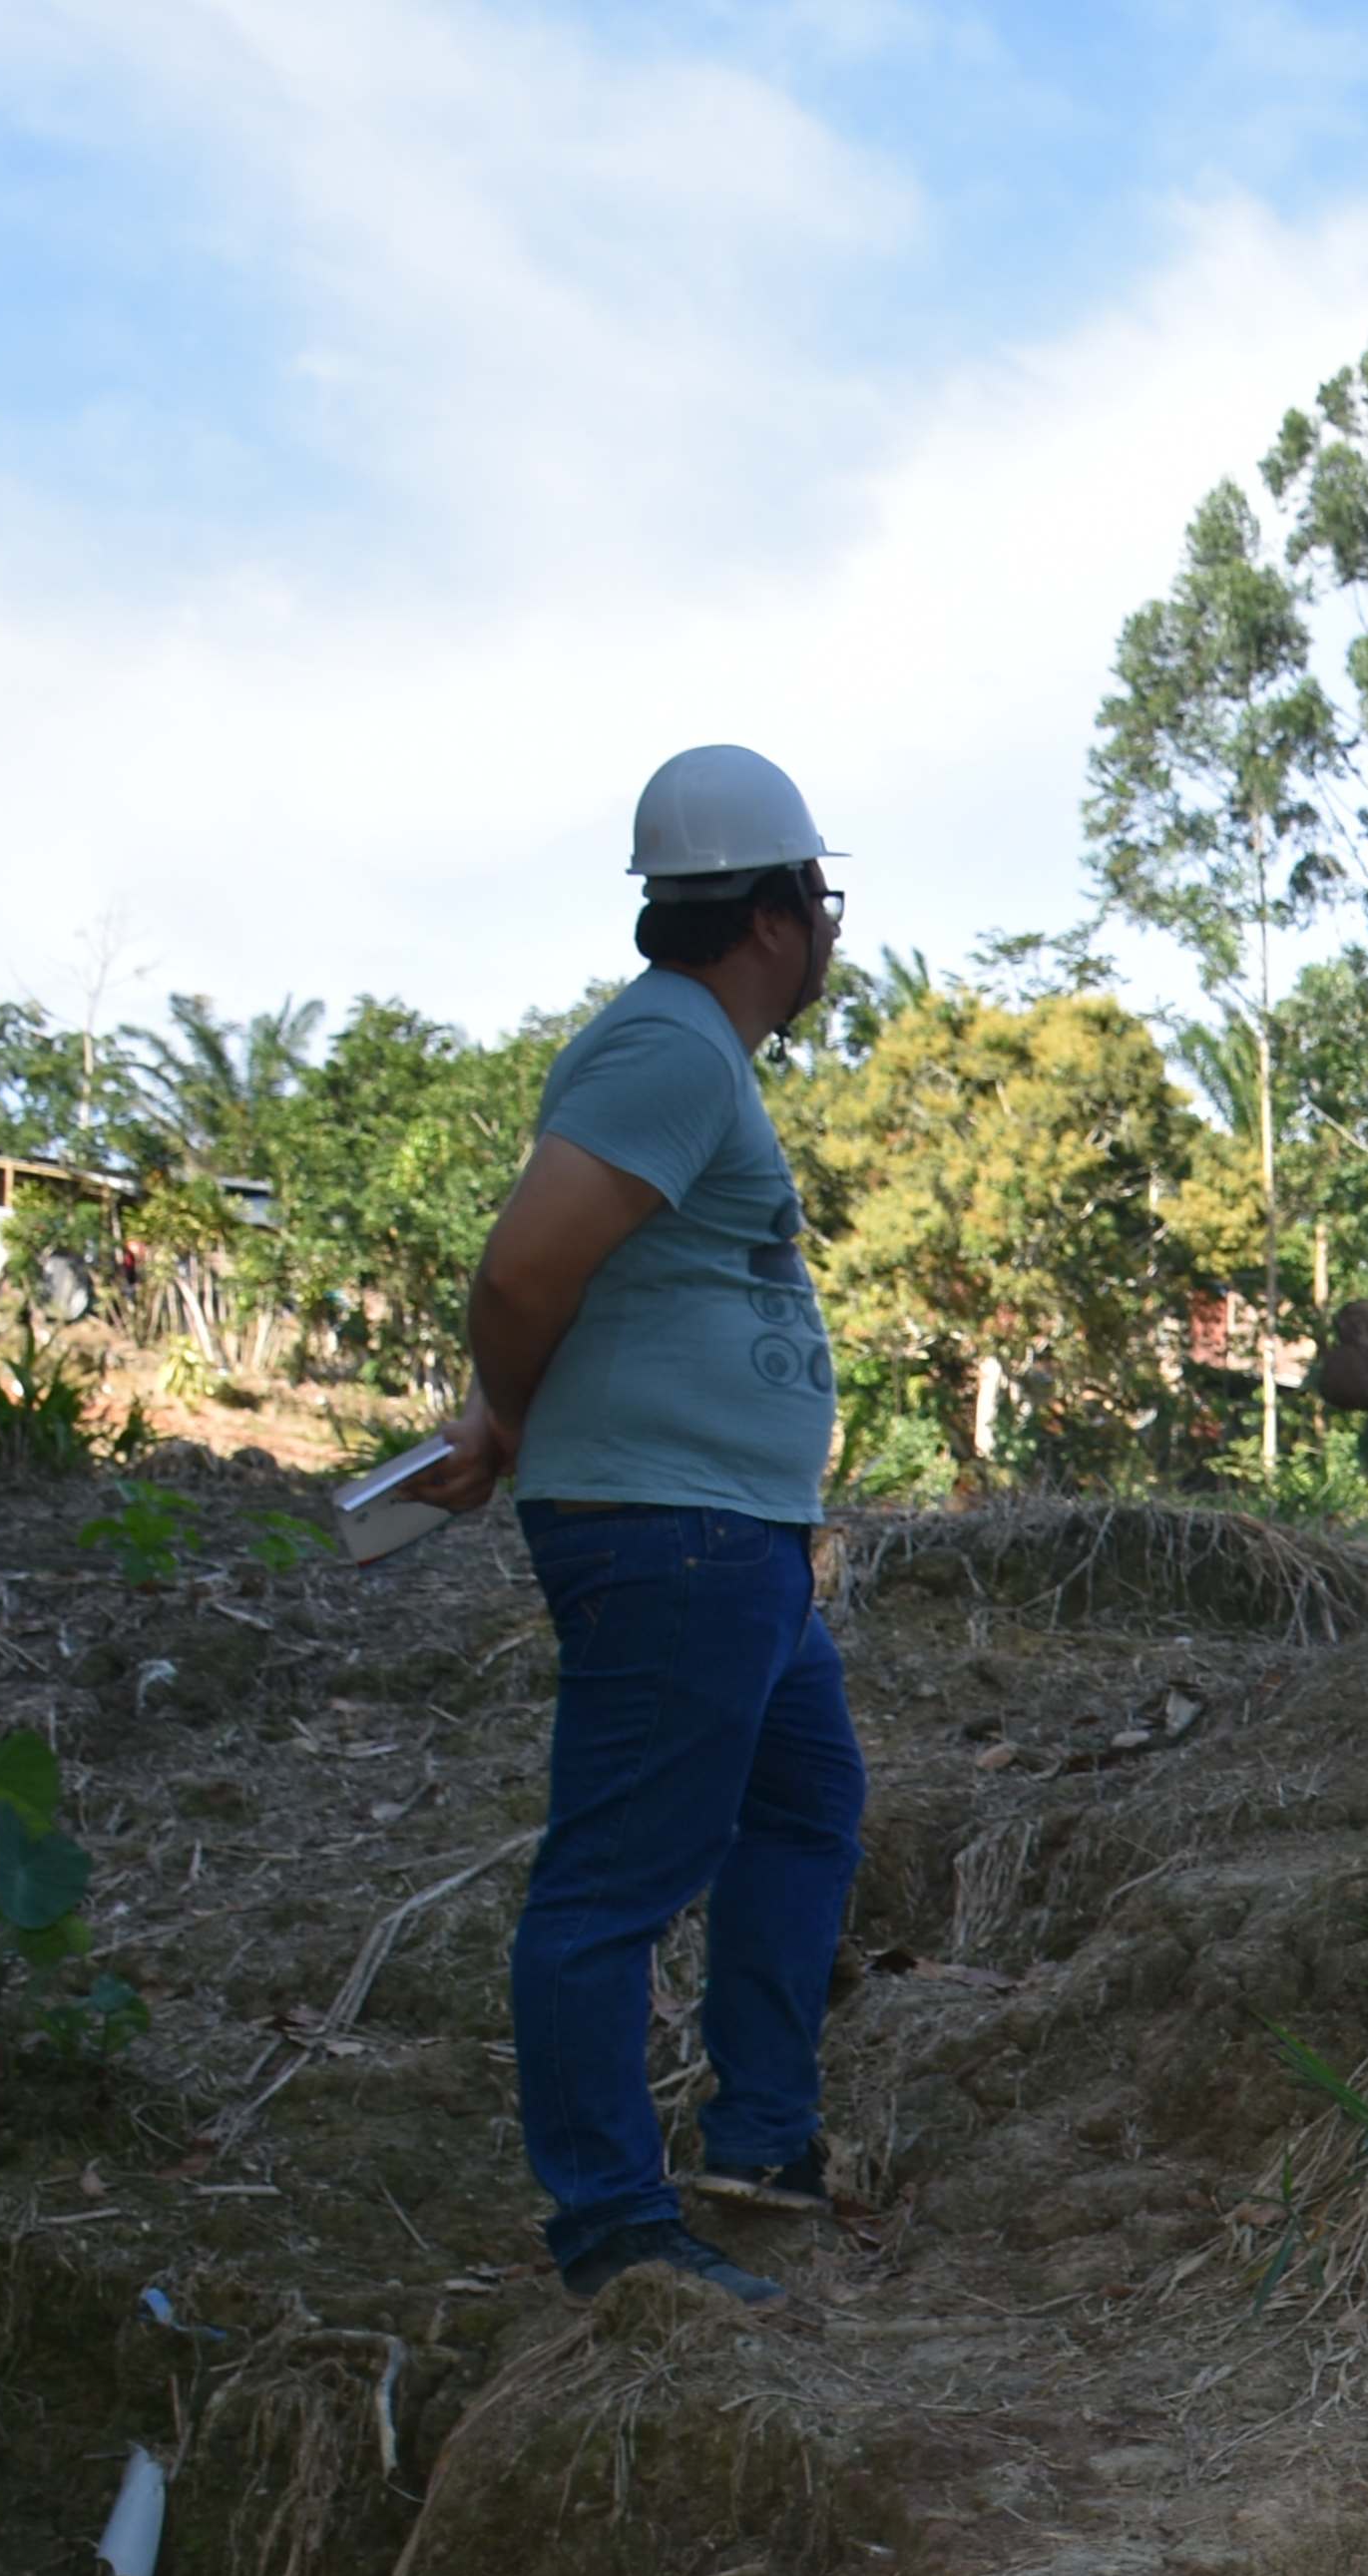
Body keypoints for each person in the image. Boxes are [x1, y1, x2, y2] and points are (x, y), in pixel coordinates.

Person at [392, 742, 866, 2309]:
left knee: (803, 1804)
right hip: (670, 1533)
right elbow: (523, 1273)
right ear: (783, 913)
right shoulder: (664, 1053)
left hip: (727, 1529)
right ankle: (610, 2227)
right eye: (825, 902)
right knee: (613, 1882)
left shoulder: (690, 1050)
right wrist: (509, 1409)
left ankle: (763, 2134)